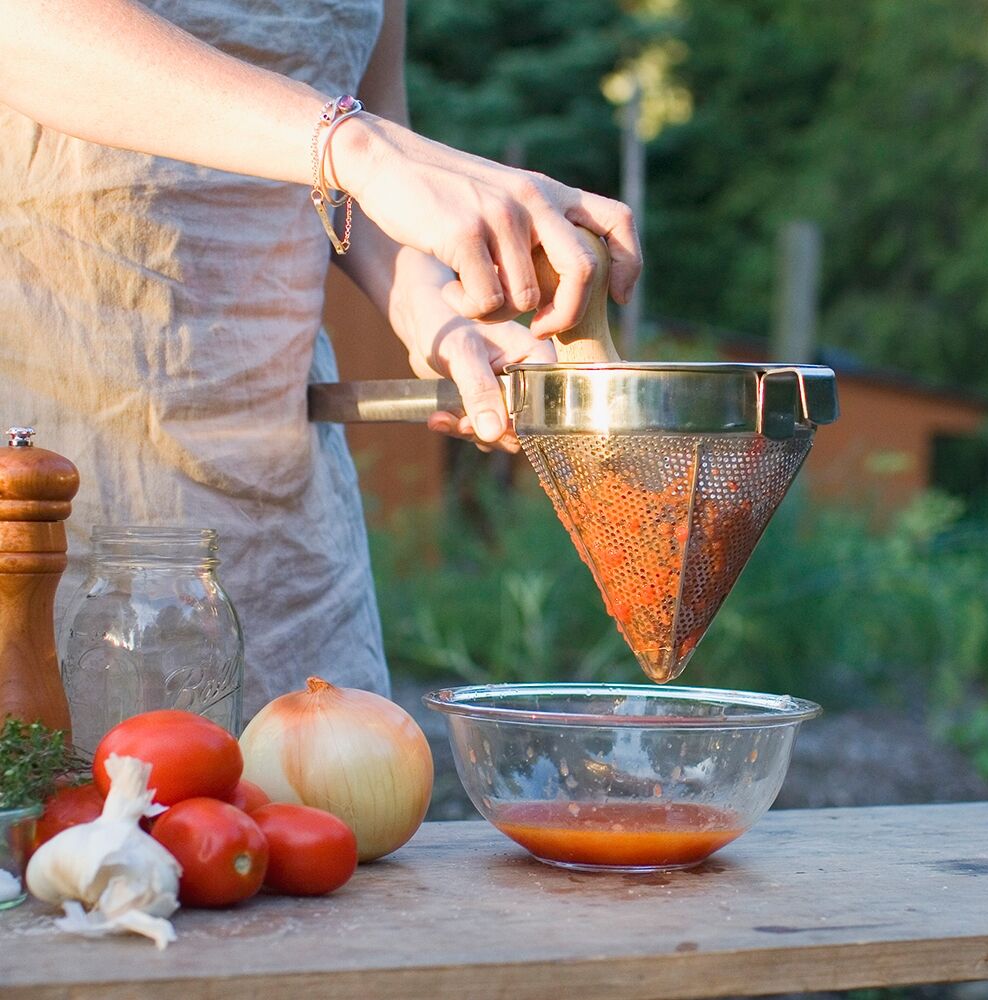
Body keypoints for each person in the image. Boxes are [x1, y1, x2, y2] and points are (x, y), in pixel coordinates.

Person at [0, 0, 641, 716]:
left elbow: (359, 175)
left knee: (332, 806)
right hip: (54, 487)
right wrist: (358, 148)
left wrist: (438, 315)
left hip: (285, 513)